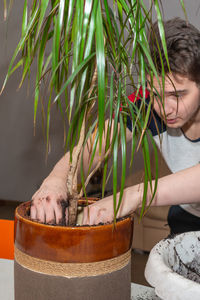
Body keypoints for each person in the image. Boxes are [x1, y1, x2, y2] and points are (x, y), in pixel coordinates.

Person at [31, 17, 200, 234]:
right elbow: (96, 147)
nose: (165, 108)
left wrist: (131, 195)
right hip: (186, 218)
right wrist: (56, 179)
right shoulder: (147, 103)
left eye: (177, 95)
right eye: (155, 94)